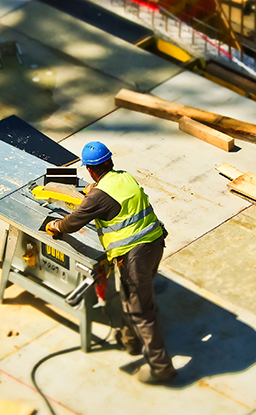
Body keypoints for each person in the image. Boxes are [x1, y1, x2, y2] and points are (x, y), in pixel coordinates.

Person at [45, 141, 177, 385]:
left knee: (141, 311)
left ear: (90, 170)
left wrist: (55, 226)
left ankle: (162, 367)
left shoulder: (97, 196)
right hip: (155, 243)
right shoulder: (123, 178)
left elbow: (72, 223)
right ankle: (131, 340)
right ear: (109, 162)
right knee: (131, 296)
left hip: (134, 255)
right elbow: (114, 197)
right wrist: (96, 190)